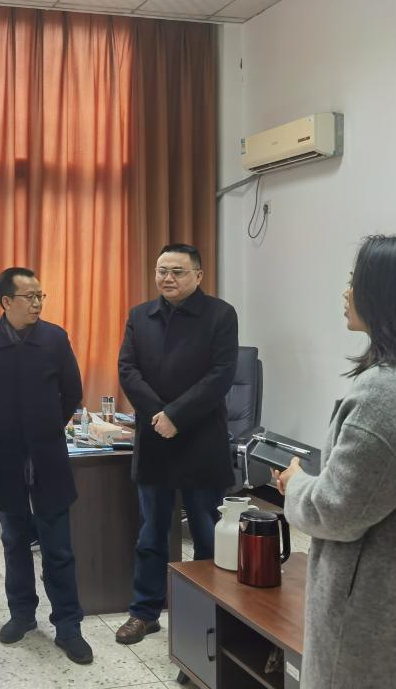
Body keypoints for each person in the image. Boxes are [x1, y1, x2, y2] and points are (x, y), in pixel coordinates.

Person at [274, 235, 396, 689]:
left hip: (371, 623)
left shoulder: (384, 394)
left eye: (355, 281)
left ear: (388, 295)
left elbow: (335, 512)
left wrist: (296, 482)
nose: (346, 292)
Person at [0, 267, 92, 665]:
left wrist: (45, 426)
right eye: (29, 297)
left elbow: (72, 392)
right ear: (6, 301)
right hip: (5, 456)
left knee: (58, 547)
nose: (37, 303)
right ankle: (21, 614)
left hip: (48, 455)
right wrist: (4, 427)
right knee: (14, 541)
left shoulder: (54, 338)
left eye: (40, 296)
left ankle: (68, 625)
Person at [115, 243, 238, 645]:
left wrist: (176, 416)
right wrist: (159, 415)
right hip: (155, 440)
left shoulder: (220, 315)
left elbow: (221, 375)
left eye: (177, 271)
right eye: (161, 270)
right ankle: (144, 612)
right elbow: (127, 369)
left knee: (207, 533)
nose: (167, 278)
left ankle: (210, 613)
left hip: (202, 439)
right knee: (151, 532)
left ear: (198, 276)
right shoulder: (140, 316)